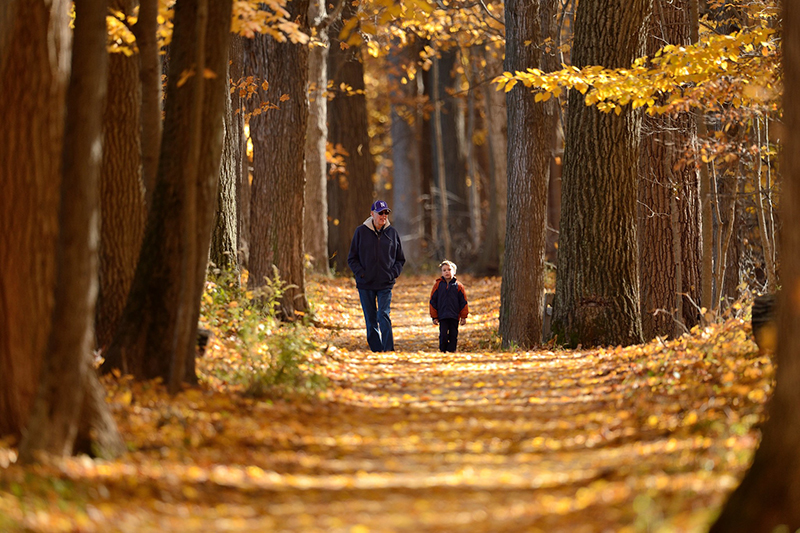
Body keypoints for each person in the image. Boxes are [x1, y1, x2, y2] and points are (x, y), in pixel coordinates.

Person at [347, 200, 406, 352]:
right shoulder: (360, 232)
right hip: (365, 283)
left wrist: (393, 273)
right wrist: (361, 273)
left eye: (386, 212)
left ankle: (388, 350)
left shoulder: (392, 233)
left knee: (383, 315)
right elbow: (352, 258)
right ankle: (377, 351)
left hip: (385, 283)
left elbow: (400, 259)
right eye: (380, 213)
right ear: (372, 214)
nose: (384, 216)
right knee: (371, 320)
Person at [429, 260, 469, 352]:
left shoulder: (458, 286)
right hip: (442, 315)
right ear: (441, 272)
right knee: (443, 334)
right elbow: (432, 301)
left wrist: (463, 316)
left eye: (449, 270)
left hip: (454, 315)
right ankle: (443, 350)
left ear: (454, 272)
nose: (447, 272)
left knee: (453, 334)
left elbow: (463, 302)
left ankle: (451, 351)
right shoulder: (438, 285)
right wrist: (434, 316)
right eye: (444, 270)